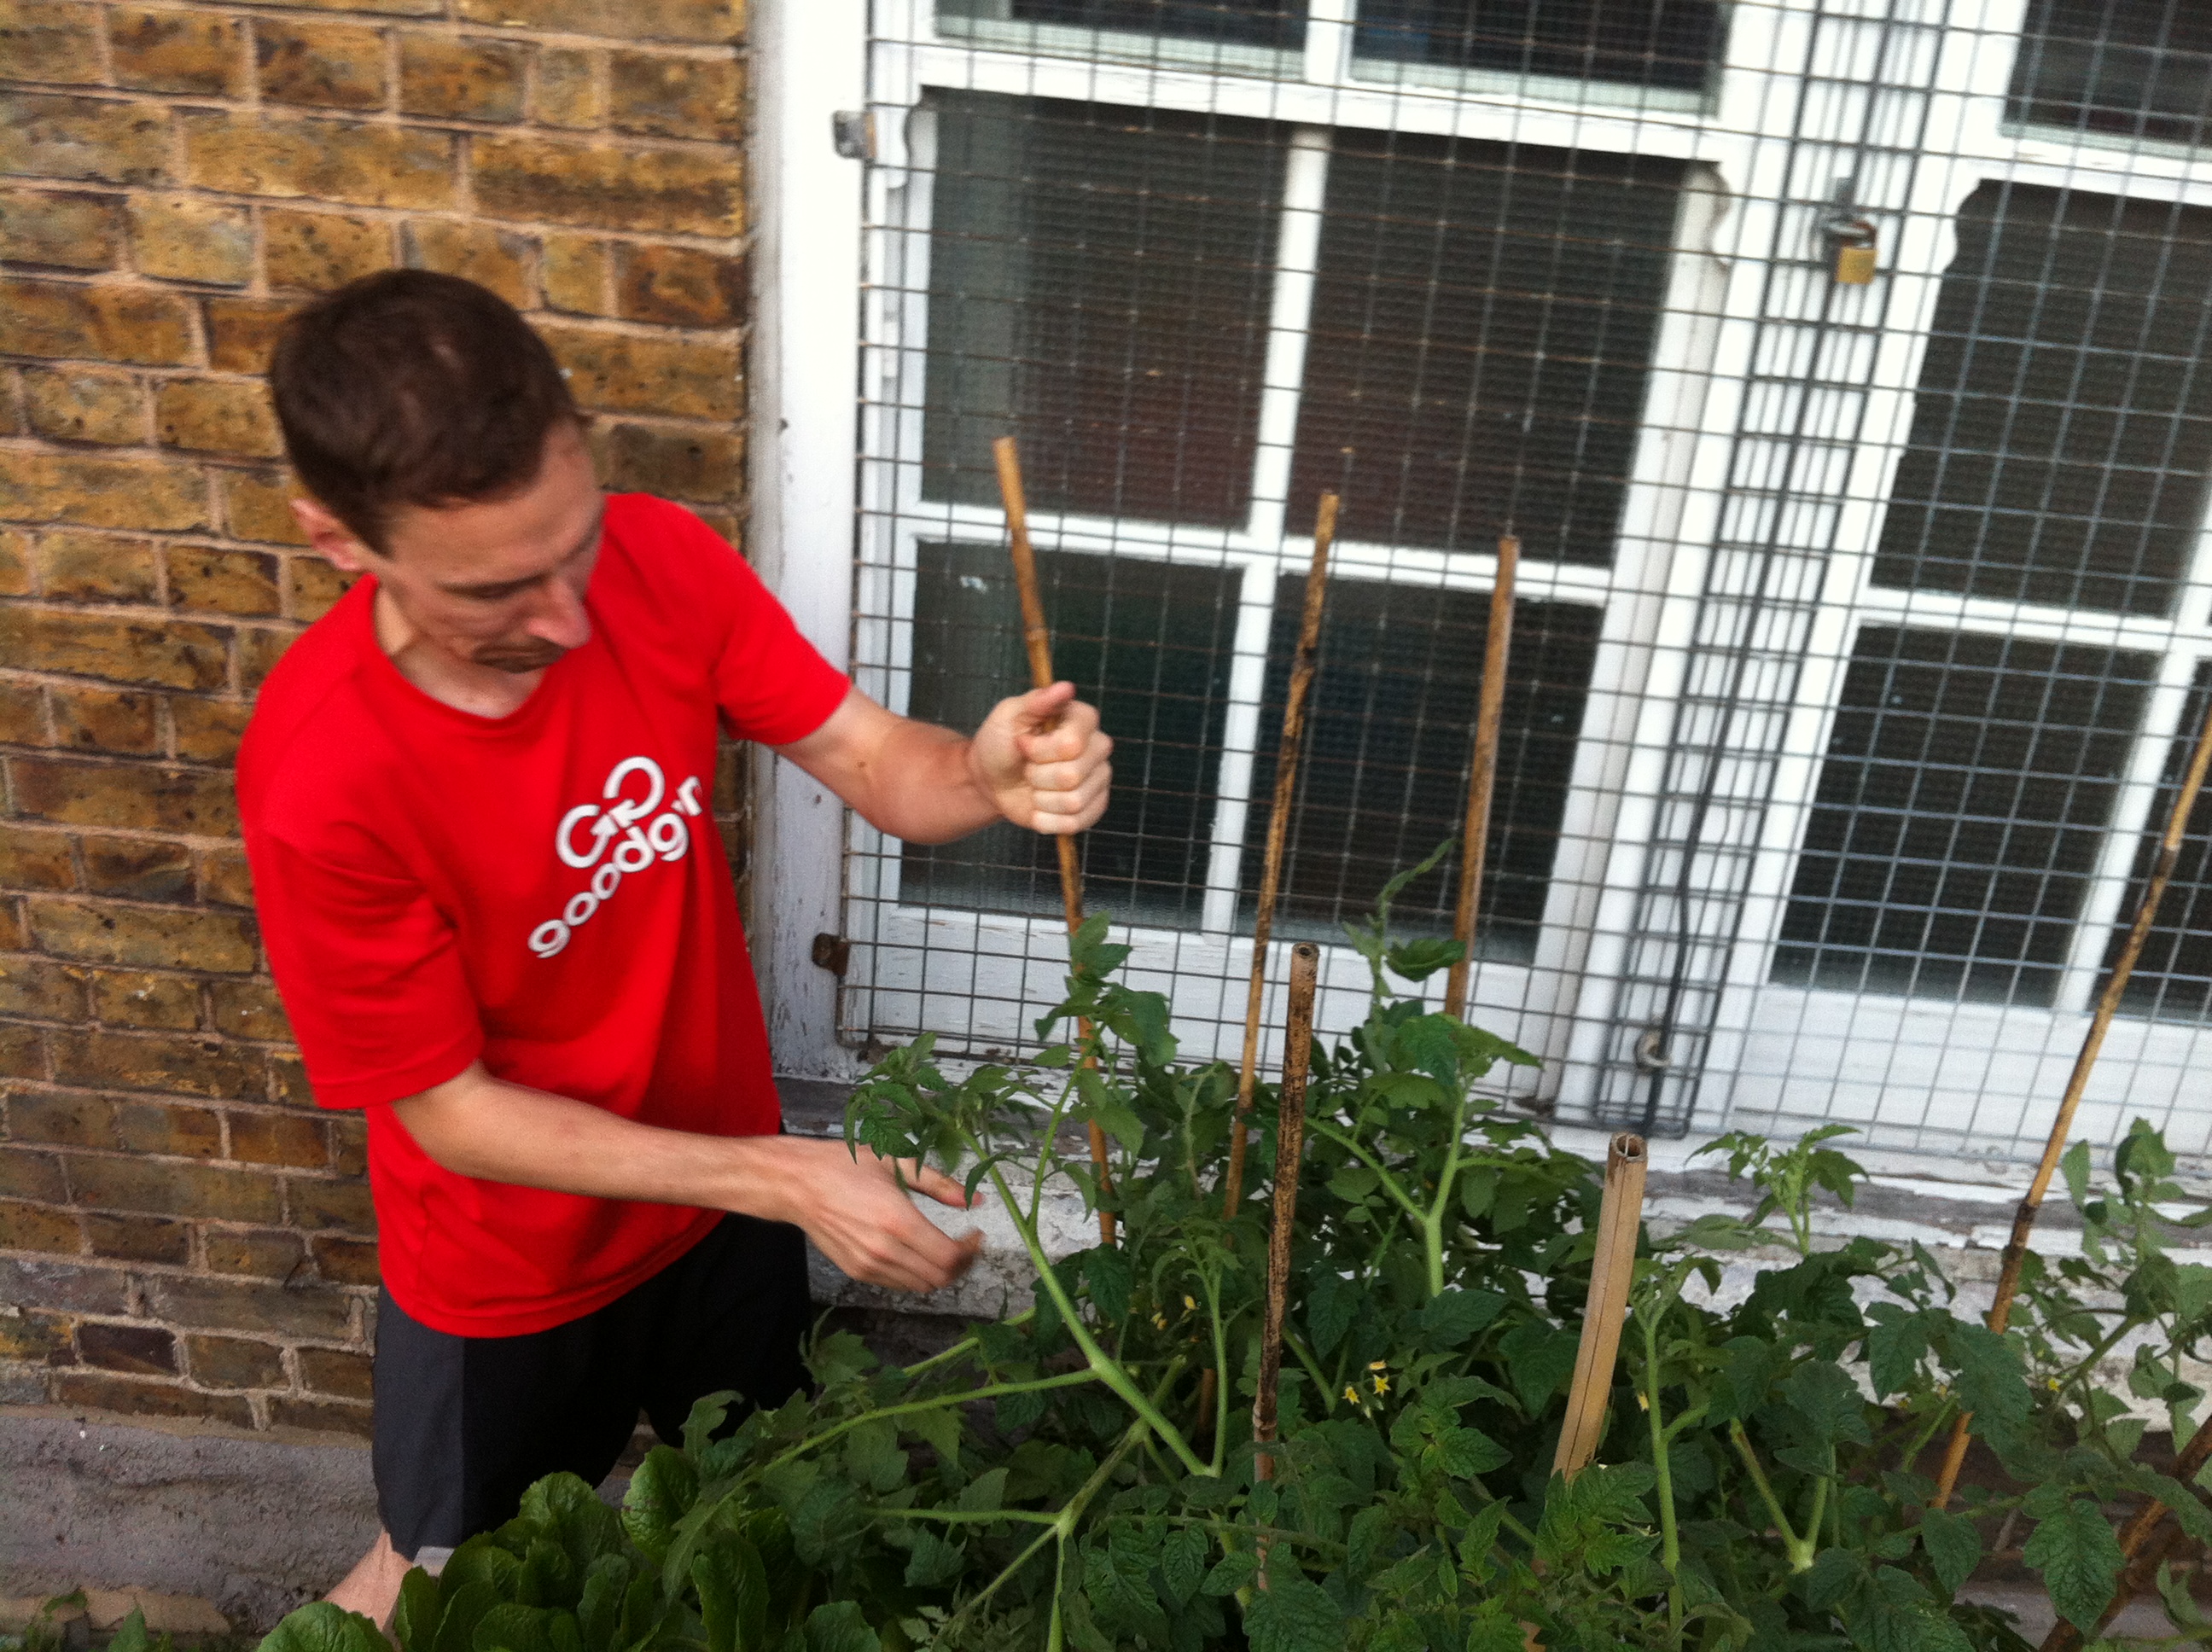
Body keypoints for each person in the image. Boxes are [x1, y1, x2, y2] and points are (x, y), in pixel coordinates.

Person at [236, 270, 1112, 1623]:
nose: (570, 619)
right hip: (510, 1270)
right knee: (449, 1585)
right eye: (498, 587)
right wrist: (789, 1177)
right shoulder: (321, 774)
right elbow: (451, 1113)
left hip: (723, 1211)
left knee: (766, 1505)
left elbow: (876, 759)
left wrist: (984, 776)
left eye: (572, 545)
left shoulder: (658, 559)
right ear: (339, 539)